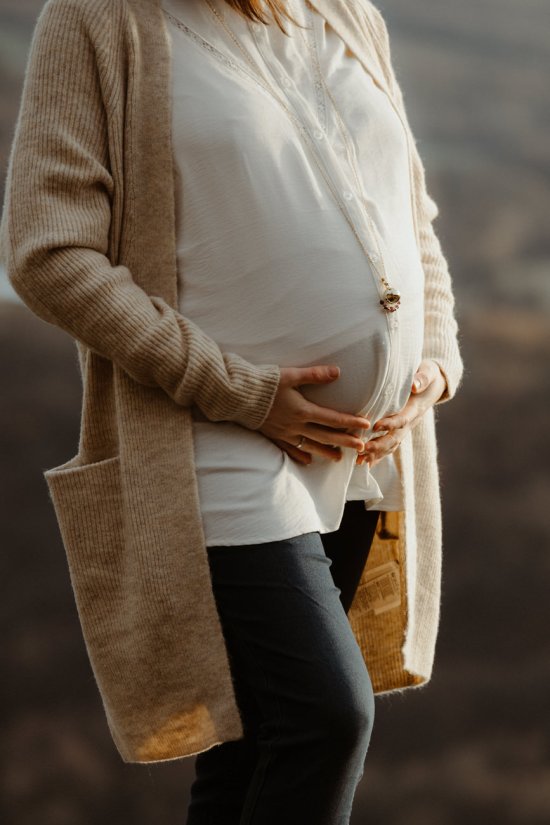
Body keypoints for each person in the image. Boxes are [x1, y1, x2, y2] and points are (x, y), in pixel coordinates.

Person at [0, 0, 463, 822]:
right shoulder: (98, 20)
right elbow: (50, 252)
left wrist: (434, 361)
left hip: (363, 454)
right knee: (324, 718)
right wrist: (237, 389)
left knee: (255, 746)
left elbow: (409, 215)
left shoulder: (349, 13)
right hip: (208, 437)